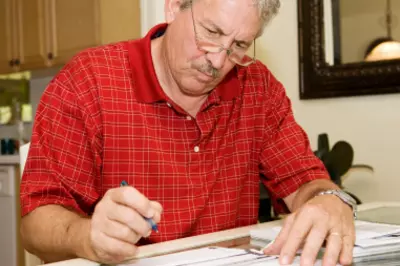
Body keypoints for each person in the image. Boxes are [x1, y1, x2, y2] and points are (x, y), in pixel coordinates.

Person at [20, 0, 356, 265]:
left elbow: (306, 183)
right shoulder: (88, 82)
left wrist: (328, 200)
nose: (218, 60)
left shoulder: (258, 87)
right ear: (173, 6)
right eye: (210, 32)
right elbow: (35, 225)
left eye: (238, 45)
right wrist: (88, 236)